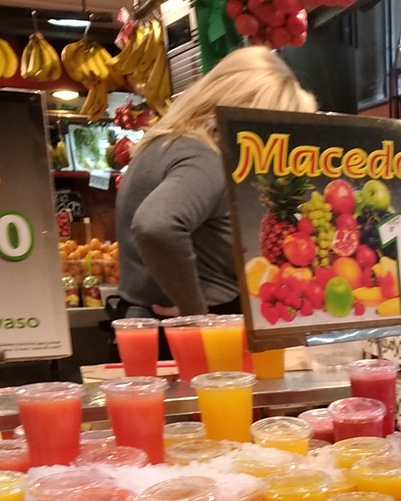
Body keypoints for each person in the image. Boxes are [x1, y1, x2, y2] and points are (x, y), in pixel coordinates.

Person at [115, 47, 318, 324]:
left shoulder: (164, 145)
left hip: (151, 323)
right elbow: (155, 225)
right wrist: (195, 315)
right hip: (198, 335)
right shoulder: (206, 159)